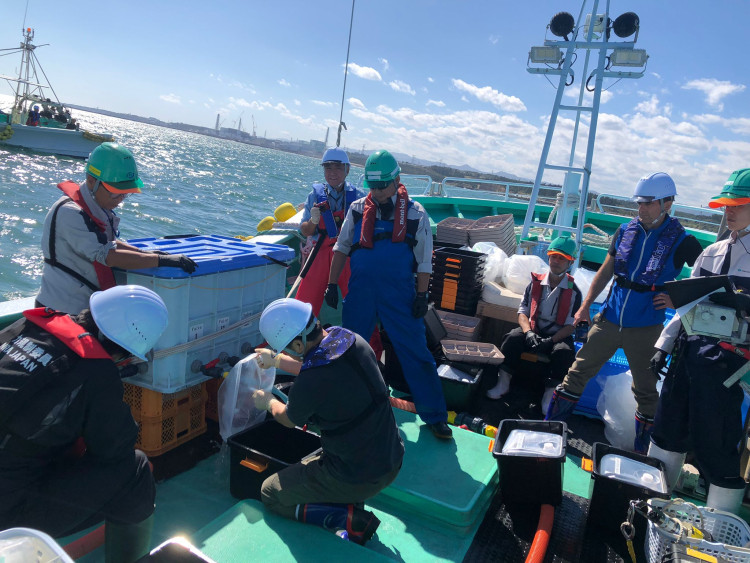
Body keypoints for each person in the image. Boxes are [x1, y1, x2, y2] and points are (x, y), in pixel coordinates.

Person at [0, 285, 169, 563]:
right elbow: (116, 449)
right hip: (9, 512)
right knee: (136, 469)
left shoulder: (26, 326)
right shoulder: (96, 371)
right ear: (122, 351)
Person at [545, 172, 703, 453]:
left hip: (646, 328)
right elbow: (605, 271)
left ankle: (642, 452)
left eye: (648, 203)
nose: (641, 208)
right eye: (639, 203)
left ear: (667, 203)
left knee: (645, 391)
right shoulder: (624, 231)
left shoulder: (684, 241)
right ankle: (551, 431)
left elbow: (703, 282)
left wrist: (675, 299)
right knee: (577, 373)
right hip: (609, 318)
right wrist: (584, 307)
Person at [252, 298, 404, 545]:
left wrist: (267, 401)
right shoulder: (351, 340)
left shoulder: (312, 382)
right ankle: (347, 500)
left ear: (298, 343)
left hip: (358, 475)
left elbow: (289, 419)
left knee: (270, 493)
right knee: (308, 462)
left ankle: (348, 519)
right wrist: (277, 361)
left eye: (285, 350)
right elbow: (318, 366)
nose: (285, 353)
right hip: (391, 455)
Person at [324, 149, 452, 440]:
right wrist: (332, 285)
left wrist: (422, 296)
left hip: (400, 295)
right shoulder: (357, 210)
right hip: (361, 292)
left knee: (416, 353)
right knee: (347, 350)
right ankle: (340, 405)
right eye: (373, 186)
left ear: (397, 181)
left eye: (382, 186)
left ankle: (434, 416)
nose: (378, 192)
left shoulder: (417, 214)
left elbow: (423, 262)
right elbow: (341, 248)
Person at [647, 168, 750, 514]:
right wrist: (663, 345)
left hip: (727, 367)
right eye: (726, 205)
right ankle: (653, 505)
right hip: (687, 356)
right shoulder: (711, 253)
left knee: (717, 444)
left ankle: (718, 528)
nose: (729, 211)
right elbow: (684, 306)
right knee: (667, 428)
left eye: (738, 204)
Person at [37, 142, 198, 314]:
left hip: (88, 308)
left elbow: (110, 242)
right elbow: (106, 255)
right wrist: (161, 261)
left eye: (125, 193)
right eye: (115, 192)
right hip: (60, 311)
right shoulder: (70, 212)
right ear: (92, 181)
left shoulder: (96, 208)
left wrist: (148, 254)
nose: (120, 198)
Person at [487, 236, 582, 404]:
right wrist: (529, 333)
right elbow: (522, 312)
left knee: (564, 352)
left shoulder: (575, 292)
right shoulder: (534, 284)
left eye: (562, 258)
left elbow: (570, 326)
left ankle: (549, 394)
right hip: (534, 331)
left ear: (570, 263)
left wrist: (551, 340)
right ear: (548, 257)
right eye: (554, 256)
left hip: (556, 335)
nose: (556, 261)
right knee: (512, 338)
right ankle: (503, 383)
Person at [296, 147, 365, 316]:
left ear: (347, 170)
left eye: (338, 167)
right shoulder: (314, 195)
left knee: (360, 304)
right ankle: (302, 339)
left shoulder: (359, 197)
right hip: (320, 251)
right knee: (304, 306)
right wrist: (313, 221)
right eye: (328, 167)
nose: (332, 172)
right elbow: (305, 231)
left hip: (347, 255)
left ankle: (366, 340)